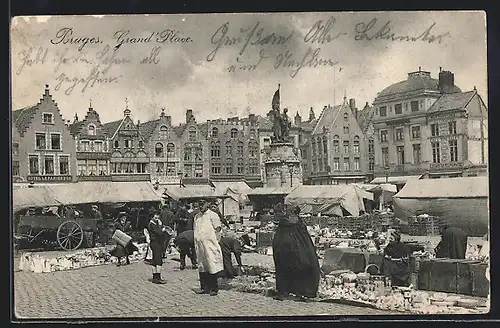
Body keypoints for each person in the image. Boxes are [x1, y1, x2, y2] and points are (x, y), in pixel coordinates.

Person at [272, 205, 321, 302]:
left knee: (283, 271)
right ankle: (300, 292)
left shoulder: (284, 222)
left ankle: (283, 292)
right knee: (299, 270)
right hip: (297, 251)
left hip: (284, 250)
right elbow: (306, 240)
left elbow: (278, 237)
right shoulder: (300, 223)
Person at [193, 199, 224, 296]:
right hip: (200, 245)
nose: (201, 206)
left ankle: (213, 288)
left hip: (210, 245)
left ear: (208, 204)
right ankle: (204, 287)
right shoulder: (197, 217)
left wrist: (215, 243)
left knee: (211, 265)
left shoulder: (213, 215)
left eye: (203, 204)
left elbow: (218, 230)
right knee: (202, 266)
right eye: (199, 204)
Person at [148, 211, 172, 284]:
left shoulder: (154, 223)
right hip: (155, 243)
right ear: (152, 216)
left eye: (158, 216)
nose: (157, 217)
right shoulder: (152, 224)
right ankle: (158, 278)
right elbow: (159, 233)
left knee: (154, 259)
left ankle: (155, 277)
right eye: (155, 216)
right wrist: (163, 228)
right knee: (158, 260)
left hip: (155, 243)